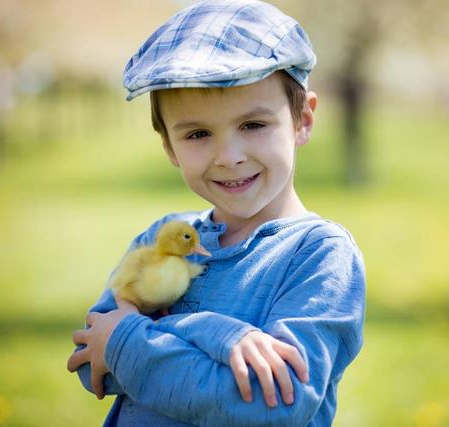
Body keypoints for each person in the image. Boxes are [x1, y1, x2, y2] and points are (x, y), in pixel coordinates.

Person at [66, 1, 366, 426]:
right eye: (198, 134)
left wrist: (131, 341)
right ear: (169, 146)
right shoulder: (166, 238)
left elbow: (274, 404)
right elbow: (91, 359)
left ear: (302, 119)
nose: (228, 156)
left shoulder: (318, 255)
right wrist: (218, 336)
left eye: (253, 125)